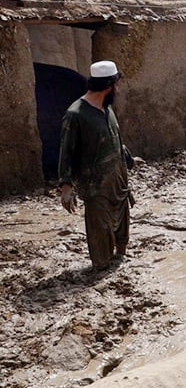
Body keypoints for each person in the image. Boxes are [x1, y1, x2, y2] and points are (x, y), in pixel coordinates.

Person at [58, 60, 133, 272]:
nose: (118, 90)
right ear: (108, 86)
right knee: (100, 228)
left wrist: (125, 155)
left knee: (121, 225)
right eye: (116, 85)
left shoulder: (106, 109)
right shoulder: (76, 114)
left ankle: (120, 262)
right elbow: (66, 152)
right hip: (95, 183)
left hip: (118, 178)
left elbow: (113, 136)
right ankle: (102, 268)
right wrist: (66, 187)